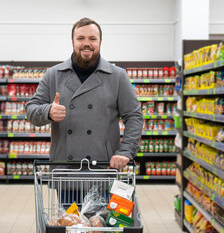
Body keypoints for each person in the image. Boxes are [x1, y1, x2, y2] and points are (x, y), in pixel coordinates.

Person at [26, 17, 143, 171]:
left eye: (92, 38)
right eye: (80, 38)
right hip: (65, 169)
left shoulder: (117, 76)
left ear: (100, 41)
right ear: (72, 41)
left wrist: (126, 150)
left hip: (104, 167)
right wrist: (48, 111)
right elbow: (31, 110)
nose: (86, 43)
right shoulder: (53, 74)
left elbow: (134, 116)